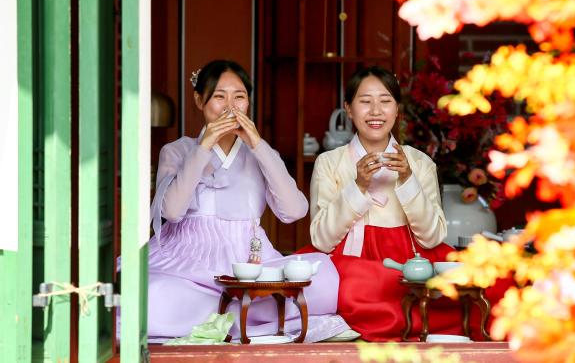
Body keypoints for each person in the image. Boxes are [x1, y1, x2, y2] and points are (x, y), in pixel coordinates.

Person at [147, 60, 349, 343]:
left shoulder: (260, 152)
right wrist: (204, 148)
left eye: (239, 97)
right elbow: (172, 211)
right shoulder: (177, 150)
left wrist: (257, 144)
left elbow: (294, 211)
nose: (230, 106)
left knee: (325, 277)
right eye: (219, 96)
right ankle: (245, 317)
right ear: (199, 100)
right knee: (152, 293)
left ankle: (226, 317)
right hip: (188, 264)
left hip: (250, 261)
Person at [307, 66, 506, 341]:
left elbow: (434, 235)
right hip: (353, 259)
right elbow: (321, 239)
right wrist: (358, 187)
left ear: (397, 110)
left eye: (385, 101)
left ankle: (378, 320)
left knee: (494, 285)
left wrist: (408, 179)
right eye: (365, 101)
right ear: (349, 109)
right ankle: (411, 319)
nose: (376, 111)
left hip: (414, 257)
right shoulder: (329, 162)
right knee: (354, 286)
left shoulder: (420, 162)